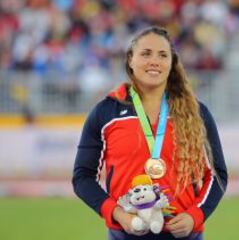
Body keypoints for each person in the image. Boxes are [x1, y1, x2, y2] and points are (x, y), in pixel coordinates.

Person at [72, 26, 227, 240]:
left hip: (184, 235)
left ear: (171, 64)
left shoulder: (197, 113)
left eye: (163, 55)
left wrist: (195, 215)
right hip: (125, 233)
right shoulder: (106, 112)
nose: (154, 61)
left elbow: (217, 175)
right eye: (145, 53)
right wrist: (118, 214)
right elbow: (82, 177)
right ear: (130, 60)